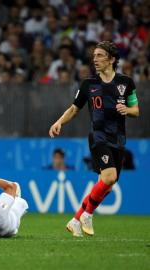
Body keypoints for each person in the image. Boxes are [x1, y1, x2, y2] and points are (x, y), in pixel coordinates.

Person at [49, 41, 140, 237]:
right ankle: (87, 214)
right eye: (94, 56)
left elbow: (136, 110)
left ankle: (75, 220)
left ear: (112, 59)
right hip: (98, 137)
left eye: (100, 56)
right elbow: (74, 109)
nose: (95, 59)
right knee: (110, 177)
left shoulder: (126, 83)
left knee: (107, 185)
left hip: (118, 139)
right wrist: (59, 122)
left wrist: (128, 110)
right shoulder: (88, 84)